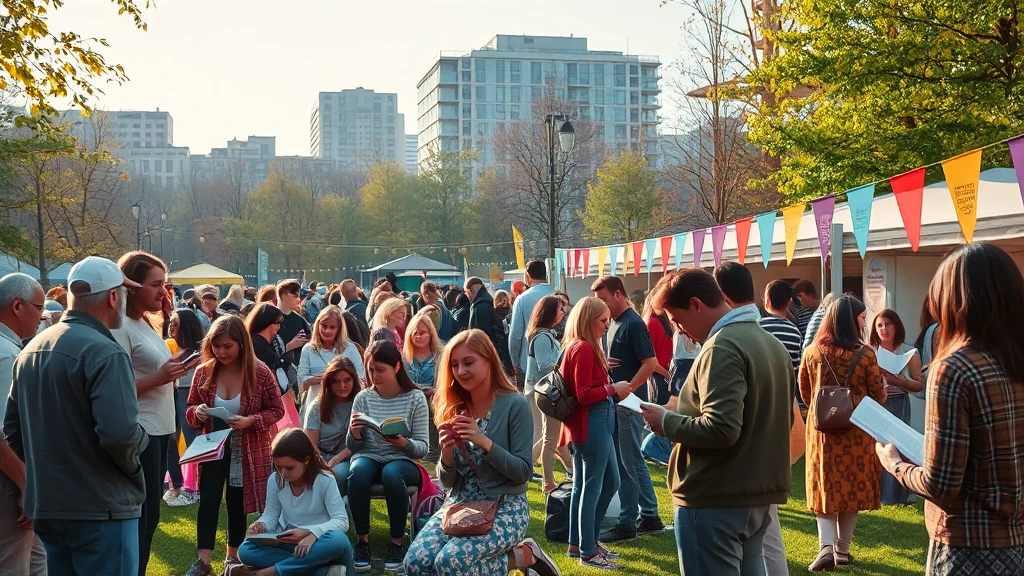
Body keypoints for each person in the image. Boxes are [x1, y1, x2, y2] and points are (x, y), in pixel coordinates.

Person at [876, 243, 1024, 575]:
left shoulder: (954, 369)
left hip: (966, 546)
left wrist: (895, 464)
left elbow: (940, 484)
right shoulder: (1013, 362)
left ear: (952, 301)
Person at [640, 268, 794, 576]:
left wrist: (667, 421)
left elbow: (722, 428)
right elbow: (784, 419)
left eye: (678, 320)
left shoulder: (722, 347)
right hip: (756, 494)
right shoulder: (771, 343)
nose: (679, 331)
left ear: (696, 304)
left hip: (714, 495)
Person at [5, 257, 148, 575]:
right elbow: (119, 434)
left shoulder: (31, 348)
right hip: (100, 507)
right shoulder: (104, 351)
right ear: (113, 297)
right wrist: (135, 461)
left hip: (51, 505)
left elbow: (13, 430)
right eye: (122, 293)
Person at [404, 329, 559, 576]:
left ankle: (524, 554)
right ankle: (522, 556)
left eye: (468, 362)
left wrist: (484, 442)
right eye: (454, 365)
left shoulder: (513, 404)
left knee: (450, 562)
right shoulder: (453, 407)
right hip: (461, 505)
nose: (461, 371)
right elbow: (447, 483)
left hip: (507, 505)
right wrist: (446, 453)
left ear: (488, 360)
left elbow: (523, 473)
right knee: (415, 562)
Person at [113, 251, 202, 576]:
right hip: (141, 432)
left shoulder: (143, 322)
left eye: (165, 284)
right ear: (131, 286)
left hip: (159, 429)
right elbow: (114, 387)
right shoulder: (120, 325)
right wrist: (161, 377)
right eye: (156, 285)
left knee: (149, 519)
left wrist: (173, 368)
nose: (163, 292)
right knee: (143, 519)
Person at [184, 316, 285, 576]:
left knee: (236, 502)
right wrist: (199, 413)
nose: (221, 352)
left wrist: (252, 420)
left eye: (227, 346)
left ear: (241, 343)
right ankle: (203, 561)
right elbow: (190, 410)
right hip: (213, 446)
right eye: (216, 346)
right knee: (208, 501)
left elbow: (277, 409)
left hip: (247, 448)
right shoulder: (204, 371)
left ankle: (232, 556)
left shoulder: (260, 371)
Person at [799, 295, 883, 571]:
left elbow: (805, 391)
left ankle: (825, 547)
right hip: (856, 432)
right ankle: (842, 551)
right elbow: (879, 394)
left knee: (824, 486)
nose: (864, 322)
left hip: (822, 431)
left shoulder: (812, 352)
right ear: (851, 321)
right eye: (861, 318)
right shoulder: (866, 354)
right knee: (852, 488)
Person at [590, 276, 663, 543]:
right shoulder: (615, 322)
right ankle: (649, 516)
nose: (601, 306)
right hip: (620, 403)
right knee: (629, 462)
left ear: (618, 295)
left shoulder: (633, 323)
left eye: (604, 300)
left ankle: (630, 521)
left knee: (629, 463)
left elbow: (650, 362)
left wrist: (628, 388)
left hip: (628, 405)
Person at [347, 340, 429, 572]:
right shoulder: (363, 397)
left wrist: (404, 443)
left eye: (380, 370)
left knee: (392, 474)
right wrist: (354, 434)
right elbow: (352, 446)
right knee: (358, 473)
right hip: (369, 455)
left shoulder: (415, 397)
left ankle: (396, 541)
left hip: (402, 459)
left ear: (396, 367)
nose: (374, 376)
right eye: (370, 370)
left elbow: (423, 447)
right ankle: (362, 540)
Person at [562, 296, 629, 569]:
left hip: (588, 424)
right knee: (592, 487)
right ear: (589, 321)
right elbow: (583, 394)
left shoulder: (579, 346)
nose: (607, 325)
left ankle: (580, 543)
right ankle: (587, 551)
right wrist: (614, 388)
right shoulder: (584, 348)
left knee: (595, 485)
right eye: (603, 321)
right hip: (592, 423)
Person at [240, 428, 354, 575]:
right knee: (246, 550)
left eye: (289, 468)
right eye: (278, 467)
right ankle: (321, 571)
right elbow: (271, 515)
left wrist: (311, 533)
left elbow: (341, 521)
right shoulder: (275, 481)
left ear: (306, 460)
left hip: (320, 543)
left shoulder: (325, 480)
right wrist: (261, 525)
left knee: (338, 540)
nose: (283, 473)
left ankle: (275, 571)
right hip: (290, 543)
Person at [0, 273, 46, 574]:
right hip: (9, 481)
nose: (42, 318)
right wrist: (25, 484)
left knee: (36, 558)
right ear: (18, 306)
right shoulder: (6, 355)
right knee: (14, 563)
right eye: (39, 308)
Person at [868, 308, 923, 505]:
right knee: (876, 445)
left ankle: (898, 494)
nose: (884, 329)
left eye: (888, 324)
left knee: (898, 446)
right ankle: (876, 492)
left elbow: (919, 385)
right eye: (880, 325)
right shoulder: (869, 351)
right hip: (876, 404)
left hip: (899, 403)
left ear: (896, 326)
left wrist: (901, 382)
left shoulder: (909, 351)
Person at [524, 295, 572, 494]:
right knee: (550, 438)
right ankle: (548, 481)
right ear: (550, 313)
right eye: (560, 310)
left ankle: (526, 468)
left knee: (549, 437)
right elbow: (544, 366)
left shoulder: (546, 334)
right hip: (543, 392)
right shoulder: (542, 337)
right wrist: (565, 366)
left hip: (542, 391)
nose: (563, 313)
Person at [164, 308, 206, 507]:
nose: (171, 326)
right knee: (170, 440)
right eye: (170, 322)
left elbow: (178, 368)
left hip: (189, 395)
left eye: (176, 322)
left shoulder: (200, 351)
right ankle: (177, 485)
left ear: (187, 326)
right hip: (170, 395)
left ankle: (197, 488)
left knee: (192, 441)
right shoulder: (169, 347)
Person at [304, 356, 360, 498]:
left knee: (338, 474)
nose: (342, 386)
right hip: (320, 456)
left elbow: (361, 440)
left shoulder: (361, 402)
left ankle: (339, 512)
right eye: (336, 381)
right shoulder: (317, 406)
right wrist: (322, 462)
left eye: (347, 380)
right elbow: (311, 445)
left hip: (349, 455)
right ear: (328, 382)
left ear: (354, 380)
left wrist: (337, 459)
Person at [298, 306, 365, 417]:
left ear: (339, 328)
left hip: (346, 406)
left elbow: (361, 378)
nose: (327, 331)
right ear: (318, 325)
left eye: (332, 327)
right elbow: (300, 382)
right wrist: (320, 379)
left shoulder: (350, 348)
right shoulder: (308, 349)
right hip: (316, 407)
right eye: (324, 326)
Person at [508, 259, 555, 393]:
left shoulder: (522, 299)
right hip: (555, 358)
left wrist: (515, 362)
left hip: (529, 360)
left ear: (527, 275)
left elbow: (515, 334)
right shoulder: (558, 293)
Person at [403, 312, 444, 463]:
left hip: (434, 407)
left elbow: (447, 383)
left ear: (431, 334)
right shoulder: (405, 357)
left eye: (423, 333)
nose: (418, 336)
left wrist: (435, 390)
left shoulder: (441, 355)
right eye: (415, 333)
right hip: (411, 409)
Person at [465, 277, 513, 375]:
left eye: (466, 293)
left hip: (485, 356)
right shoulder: (487, 302)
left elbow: (481, 335)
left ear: (470, 291)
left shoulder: (479, 307)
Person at [761, 280, 804, 372]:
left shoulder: (758, 327)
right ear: (790, 301)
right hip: (787, 385)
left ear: (767, 299)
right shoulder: (795, 333)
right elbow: (797, 366)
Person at [641, 296, 674, 405]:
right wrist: (666, 374)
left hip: (665, 373)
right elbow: (648, 357)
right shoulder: (651, 322)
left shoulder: (662, 321)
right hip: (657, 374)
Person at [276, 279, 312, 376]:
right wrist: (289, 346)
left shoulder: (301, 321)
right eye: (295, 296)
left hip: (298, 371)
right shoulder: (270, 320)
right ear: (283, 295)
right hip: (276, 372)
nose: (298, 299)